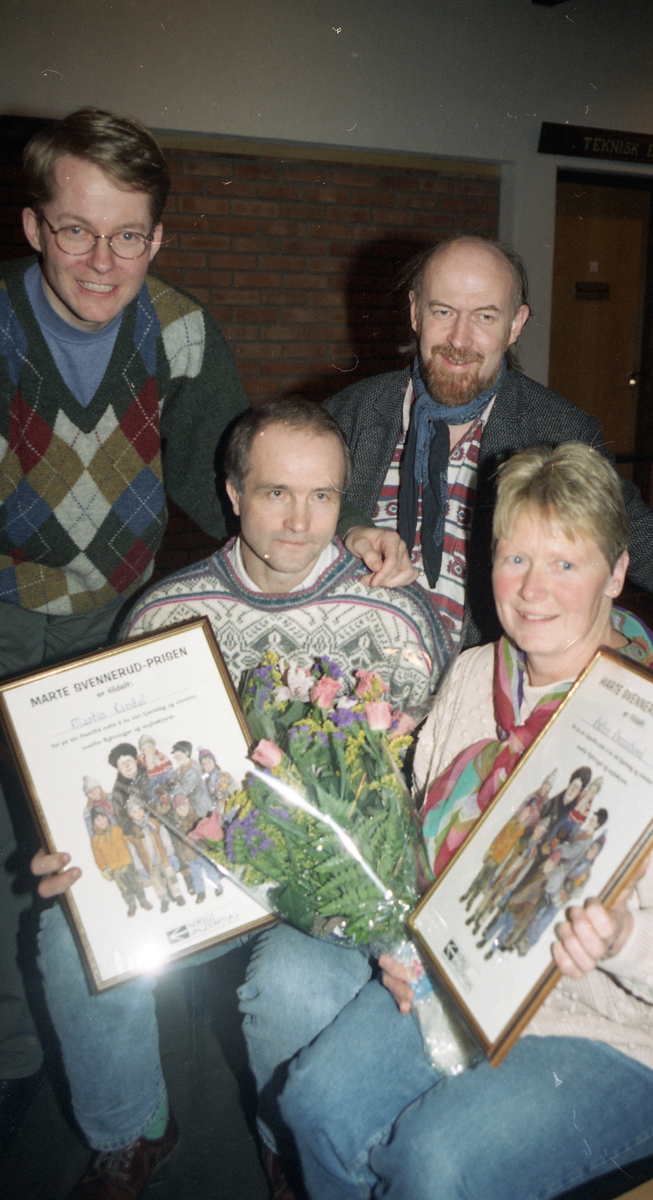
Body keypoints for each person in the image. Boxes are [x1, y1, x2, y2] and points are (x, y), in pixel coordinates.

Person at [239, 442, 653, 1200]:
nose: (533, 591)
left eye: (565, 564)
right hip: (466, 982)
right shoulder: (474, 676)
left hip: (627, 1031)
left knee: (434, 1162)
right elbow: (416, 845)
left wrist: (625, 940)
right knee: (314, 1105)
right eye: (513, 559)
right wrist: (409, 936)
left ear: (617, 572)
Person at [30, 398, 451, 1200]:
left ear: (345, 499)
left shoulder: (395, 617)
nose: (299, 521)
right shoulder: (166, 614)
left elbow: (431, 778)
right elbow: (121, 775)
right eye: (274, 493)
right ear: (230, 492)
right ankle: (131, 1132)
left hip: (336, 882)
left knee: (296, 984)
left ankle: (280, 1139)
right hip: (206, 865)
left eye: (322, 496)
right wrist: (78, 841)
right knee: (71, 933)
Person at [0, 106, 249, 1144]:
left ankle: (117, 1074)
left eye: (128, 236)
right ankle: (23, 1065)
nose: (101, 261)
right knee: (16, 849)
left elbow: (220, 472)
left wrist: (324, 532)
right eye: (74, 230)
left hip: (125, 617)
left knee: (106, 847)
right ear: (31, 226)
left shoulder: (181, 330)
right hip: (9, 611)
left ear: (158, 238)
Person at [327, 233, 653, 647]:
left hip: (479, 692)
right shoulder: (348, 415)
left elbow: (650, 543)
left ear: (515, 324)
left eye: (485, 317)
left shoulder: (557, 432)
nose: (459, 339)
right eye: (444, 311)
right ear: (415, 312)